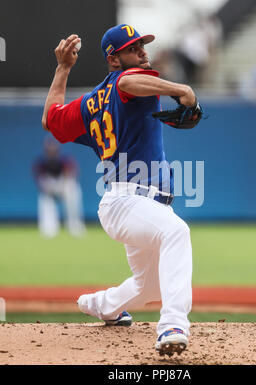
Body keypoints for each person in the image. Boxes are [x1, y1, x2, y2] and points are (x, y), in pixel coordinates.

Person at [42, 24, 197, 356]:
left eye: (142, 45)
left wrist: (62, 69)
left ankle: (102, 305)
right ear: (114, 60)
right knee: (176, 234)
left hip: (141, 207)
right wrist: (179, 87)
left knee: (148, 285)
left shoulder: (90, 103)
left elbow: (51, 120)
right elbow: (126, 83)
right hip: (127, 200)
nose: (142, 52)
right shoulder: (128, 80)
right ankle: (173, 324)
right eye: (132, 48)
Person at [33, 137, 85, 238]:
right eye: (49, 147)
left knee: (73, 190)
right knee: (44, 198)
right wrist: (48, 188)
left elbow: (72, 174)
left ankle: (74, 225)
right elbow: (40, 180)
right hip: (49, 187)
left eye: (53, 147)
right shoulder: (41, 162)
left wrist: (64, 184)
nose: (51, 149)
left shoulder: (64, 160)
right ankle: (49, 229)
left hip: (64, 184)